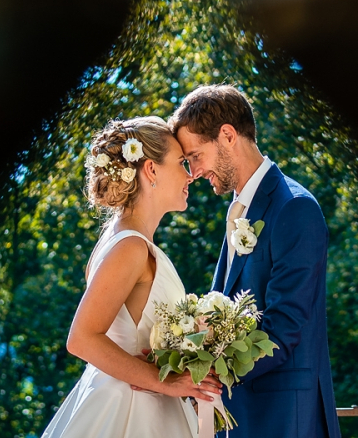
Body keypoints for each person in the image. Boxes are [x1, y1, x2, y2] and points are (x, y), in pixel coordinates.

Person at [171, 86, 340, 438]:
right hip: (241, 416)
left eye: (195, 156)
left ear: (228, 135)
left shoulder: (294, 208)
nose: (194, 171)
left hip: (283, 418)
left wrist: (207, 373)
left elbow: (284, 326)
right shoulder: (239, 209)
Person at [42, 117, 223, 438]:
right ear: (151, 170)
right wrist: (164, 381)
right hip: (129, 411)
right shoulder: (130, 247)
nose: (191, 175)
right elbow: (82, 338)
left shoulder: (122, 238)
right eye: (182, 163)